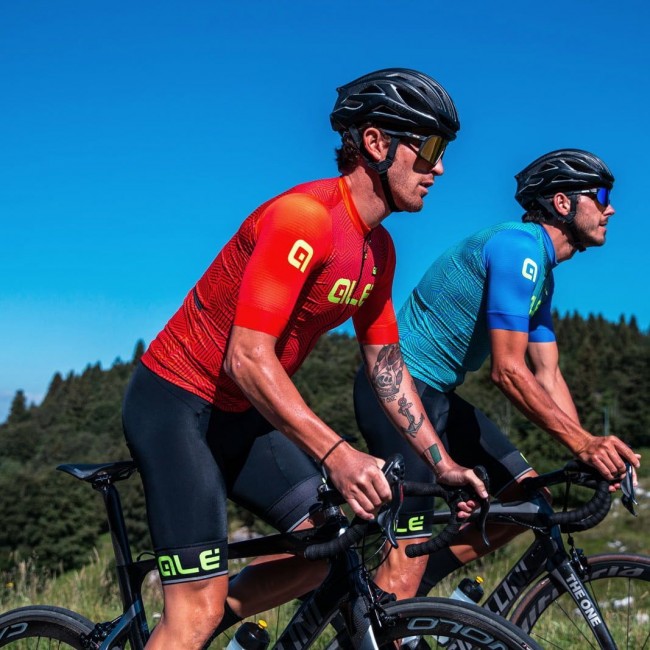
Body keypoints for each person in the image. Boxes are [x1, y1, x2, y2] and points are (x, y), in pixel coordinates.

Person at [121, 68, 487, 650]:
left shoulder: (378, 249)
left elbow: (387, 367)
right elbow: (247, 358)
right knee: (192, 610)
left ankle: (207, 628)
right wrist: (337, 454)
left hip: (241, 415)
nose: (438, 168)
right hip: (176, 404)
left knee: (327, 549)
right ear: (376, 142)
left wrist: (440, 463)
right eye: (430, 148)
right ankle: (190, 625)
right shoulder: (305, 218)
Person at [354, 148, 642, 601]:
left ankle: (415, 601)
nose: (611, 209)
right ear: (562, 203)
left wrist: (589, 450)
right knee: (407, 553)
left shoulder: (542, 273)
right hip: (397, 392)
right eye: (601, 196)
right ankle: (394, 603)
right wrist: (584, 443)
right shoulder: (517, 248)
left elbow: (547, 373)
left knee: (529, 503)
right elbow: (507, 371)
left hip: (439, 396)